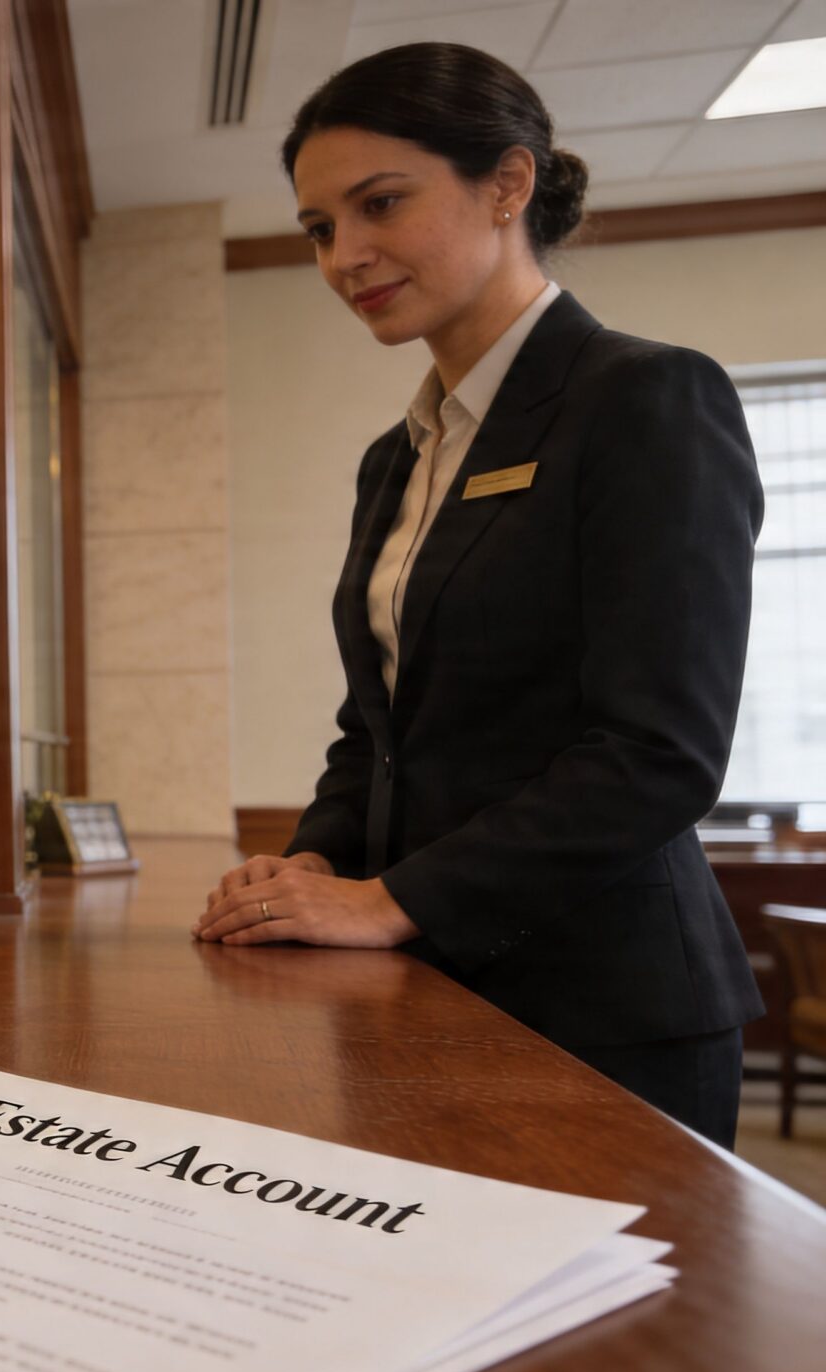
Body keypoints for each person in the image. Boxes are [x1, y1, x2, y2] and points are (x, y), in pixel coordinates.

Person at [192, 44, 763, 1147]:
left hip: (606, 1010)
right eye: (318, 228)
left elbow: (659, 753)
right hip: (418, 987)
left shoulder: (643, 397)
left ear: (507, 185)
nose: (344, 255)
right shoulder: (393, 459)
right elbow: (378, 731)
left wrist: (387, 901)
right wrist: (309, 862)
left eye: (380, 204)